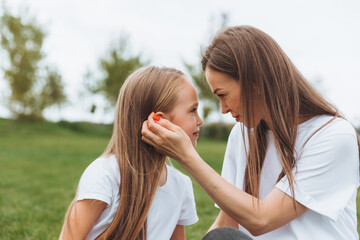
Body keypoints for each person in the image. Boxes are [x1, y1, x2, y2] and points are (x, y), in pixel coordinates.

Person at [141, 26, 360, 239]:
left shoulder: (333, 136)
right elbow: (227, 222)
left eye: (223, 94)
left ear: (254, 82)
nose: (223, 109)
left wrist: (187, 156)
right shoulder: (243, 134)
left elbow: (262, 220)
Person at [60, 66, 202, 240]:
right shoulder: (105, 174)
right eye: (193, 110)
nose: (200, 120)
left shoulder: (180, 184)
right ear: (159, 121)